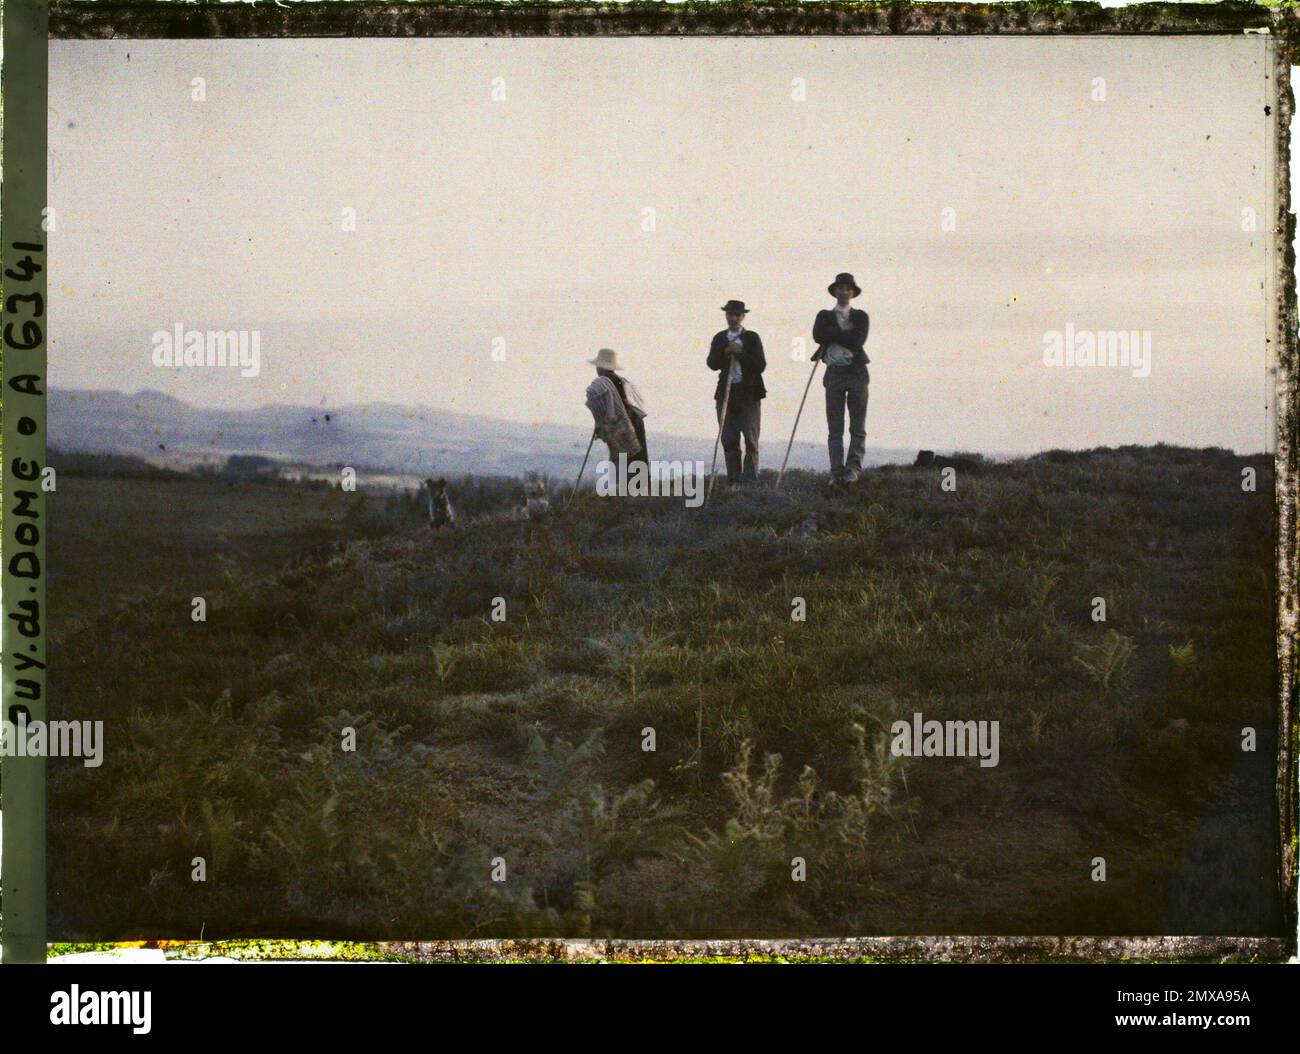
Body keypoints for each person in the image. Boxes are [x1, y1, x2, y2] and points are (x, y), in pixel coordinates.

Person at [812, 272, 870, 484]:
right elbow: (818, 336)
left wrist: (833, 333)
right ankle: (836, 472)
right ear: (835, 291)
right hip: (834, 373)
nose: (844, 291)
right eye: (840, 287)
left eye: (848, 288)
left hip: (857, 373)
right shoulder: (823, 315)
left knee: (857, 425)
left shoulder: (861, 316)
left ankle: (853, 469)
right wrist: (842, 330)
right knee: (834, 426)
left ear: (853, 292)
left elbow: (857, 341)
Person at [707, 300, 766, 484]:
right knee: (729, 439)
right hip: (726, 393)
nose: (733, 318)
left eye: (736, 315)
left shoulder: (752, 338)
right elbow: (712, 363)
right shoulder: (719, 338)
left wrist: (739, 353)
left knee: (750, 438)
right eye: (730, 314)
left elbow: (760, 365)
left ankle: (750, 482)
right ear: (726, 315)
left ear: (742, 316)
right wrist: (726, 351)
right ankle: (734, 482)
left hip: (748, 395)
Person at [586, 347, 648, 473]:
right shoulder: (623, 382)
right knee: (637, 465)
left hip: (622, 429)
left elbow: (603, 407)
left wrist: (600, 426)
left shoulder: (602, 384)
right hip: (636, 425)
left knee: (621, 468)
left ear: (600, 367)